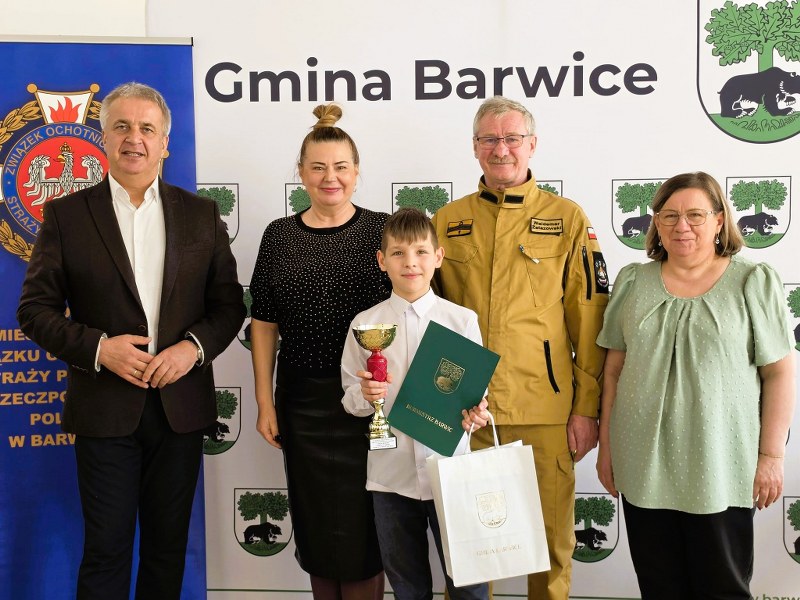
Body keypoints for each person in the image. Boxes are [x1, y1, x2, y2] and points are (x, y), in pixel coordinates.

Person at [16, 82, 245, 599]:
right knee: (106, 553)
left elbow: (229, 306)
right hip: (104, 410)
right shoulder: (67, 215)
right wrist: (100, 349)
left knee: (167, 553)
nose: (133, 138)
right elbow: (34, 311)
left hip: (179, 409)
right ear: (104, 138)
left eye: (147, 128)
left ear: (165, 142)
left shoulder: (202, 215)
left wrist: (190, 349)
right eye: (121, 126)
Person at [430, 96, 609, 600]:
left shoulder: (566, 218)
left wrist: (586, 408)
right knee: (470, 550)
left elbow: (589, 318)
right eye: (490, 139)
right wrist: (434, 405)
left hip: (545, 411)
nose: (501, 149)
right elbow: (427, 315)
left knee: (550, 548)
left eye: (512, 138)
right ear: (474, 147)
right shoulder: (447, 220)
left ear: (532, 145)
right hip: (466, 409)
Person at [595, 171, 795, 599]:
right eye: (669, 215)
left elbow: (779, 372)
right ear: (656, 223)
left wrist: (771, 456)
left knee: (722, 588)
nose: (681, 226)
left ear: (719, 220)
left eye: (695, 215)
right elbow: (613, 370)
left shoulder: (752, 280)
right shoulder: (633, 281)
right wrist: (607, 448)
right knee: (659, 588)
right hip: (642, 462)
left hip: (721, 463)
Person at [249, 104, 388, 600]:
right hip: (302, 403)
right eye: (318, 167)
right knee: (315, 525)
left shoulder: (383, 231)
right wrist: (264, 401)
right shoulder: (278, 236)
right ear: (301, 172)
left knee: (366, 529)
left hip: (372, 404)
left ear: (357, 171)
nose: (331, 178)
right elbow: (263, 323)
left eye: (341, 167)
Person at [341, 207, 490, 600]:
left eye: (421, 252)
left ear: (438, 257)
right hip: (390, 479)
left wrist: (476, 414)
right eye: (398, 253)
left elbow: (475, 398)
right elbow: (351, 400)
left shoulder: (461, 321)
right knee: (408, 588)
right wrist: (365, 395)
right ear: (382, 260)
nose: (410, 262)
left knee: (470, 587)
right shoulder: (365, 324)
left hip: (451, 472)